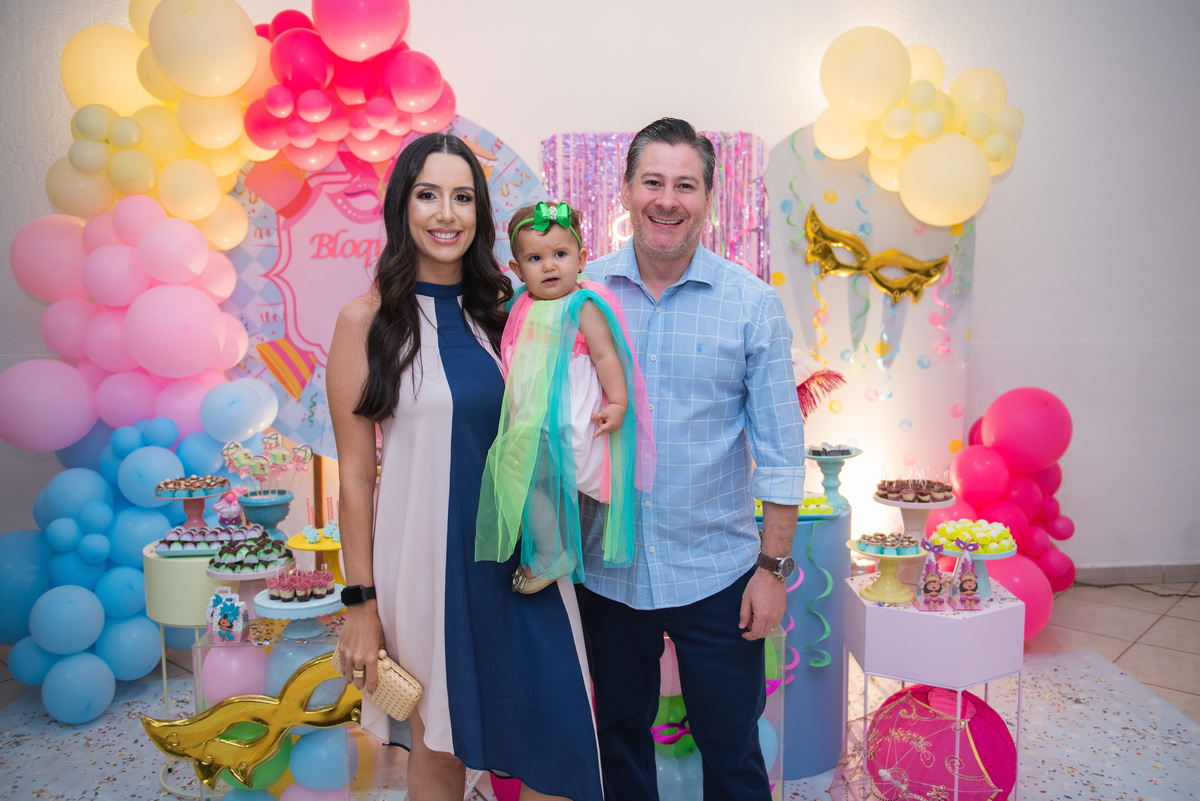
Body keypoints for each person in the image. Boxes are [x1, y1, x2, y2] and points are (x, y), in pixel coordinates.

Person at [328, 133, 602, 801]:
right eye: (428, 194)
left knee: (558, 743)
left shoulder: (510, 312)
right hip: (428, 566)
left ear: (481, 211)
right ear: (402, 205)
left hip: (529, 566)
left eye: (462, 197)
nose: (446, 213)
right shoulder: (365, 322)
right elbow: (356, 477)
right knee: (440, 749)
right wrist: (360, 605)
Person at [575, 118, 806, 801]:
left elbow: (782, 452)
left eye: (685, 185)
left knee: (732, 749)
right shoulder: (581, 295)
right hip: (606, 572)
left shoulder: (752, 305)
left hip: (718, 575)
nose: (667, 200)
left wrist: (772, 570)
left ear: (708, 197)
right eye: (653, 181)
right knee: (617, 742)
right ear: (626, 190)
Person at [475, 200, 654, 594]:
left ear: (581, 259)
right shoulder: (521, 304)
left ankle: (553, 553)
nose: (549, 266)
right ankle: (552, 547)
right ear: (517, 269)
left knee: (523, 476)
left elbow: (607, 356)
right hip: (534, 419)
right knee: (522, 478)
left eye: (560, 254)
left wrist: (618, 402)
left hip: (567, 419)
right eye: (535, 259)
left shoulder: (582, 306)